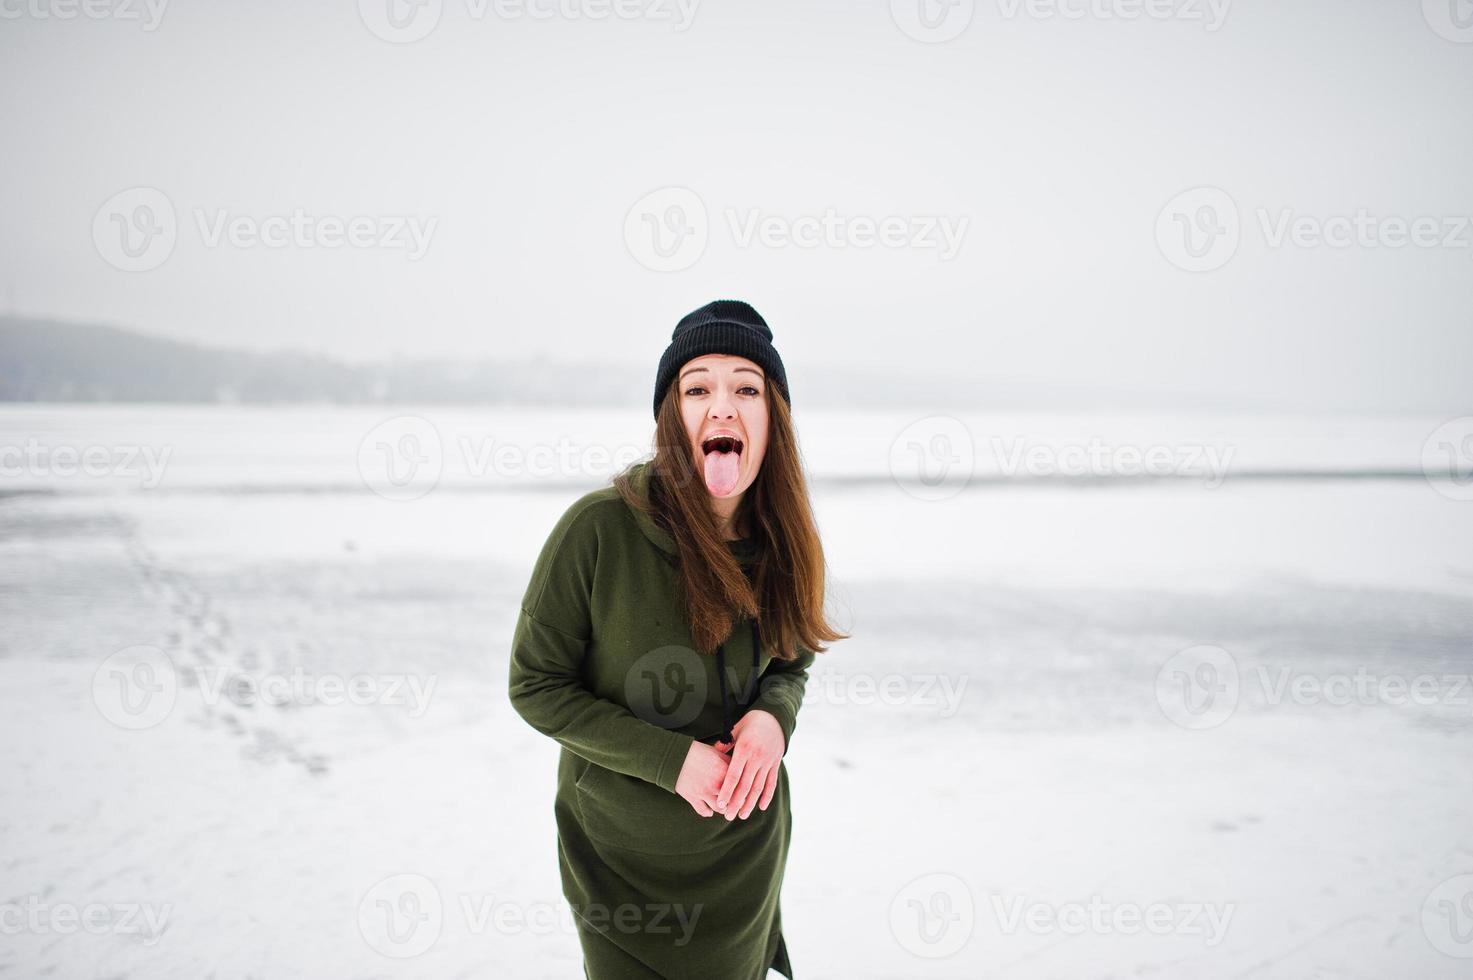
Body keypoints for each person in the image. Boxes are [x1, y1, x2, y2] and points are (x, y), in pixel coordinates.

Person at [508, 299, 848, 978]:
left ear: (772, 418)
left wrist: (771, 720)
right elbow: (535, 686)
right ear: (673, 416)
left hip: (740, 859)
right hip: (618, 860)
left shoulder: (784, 538)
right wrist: (671, 761)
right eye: (697, 388)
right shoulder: (597, 530)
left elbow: (791, 663)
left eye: (745, 388)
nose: (721, 406)